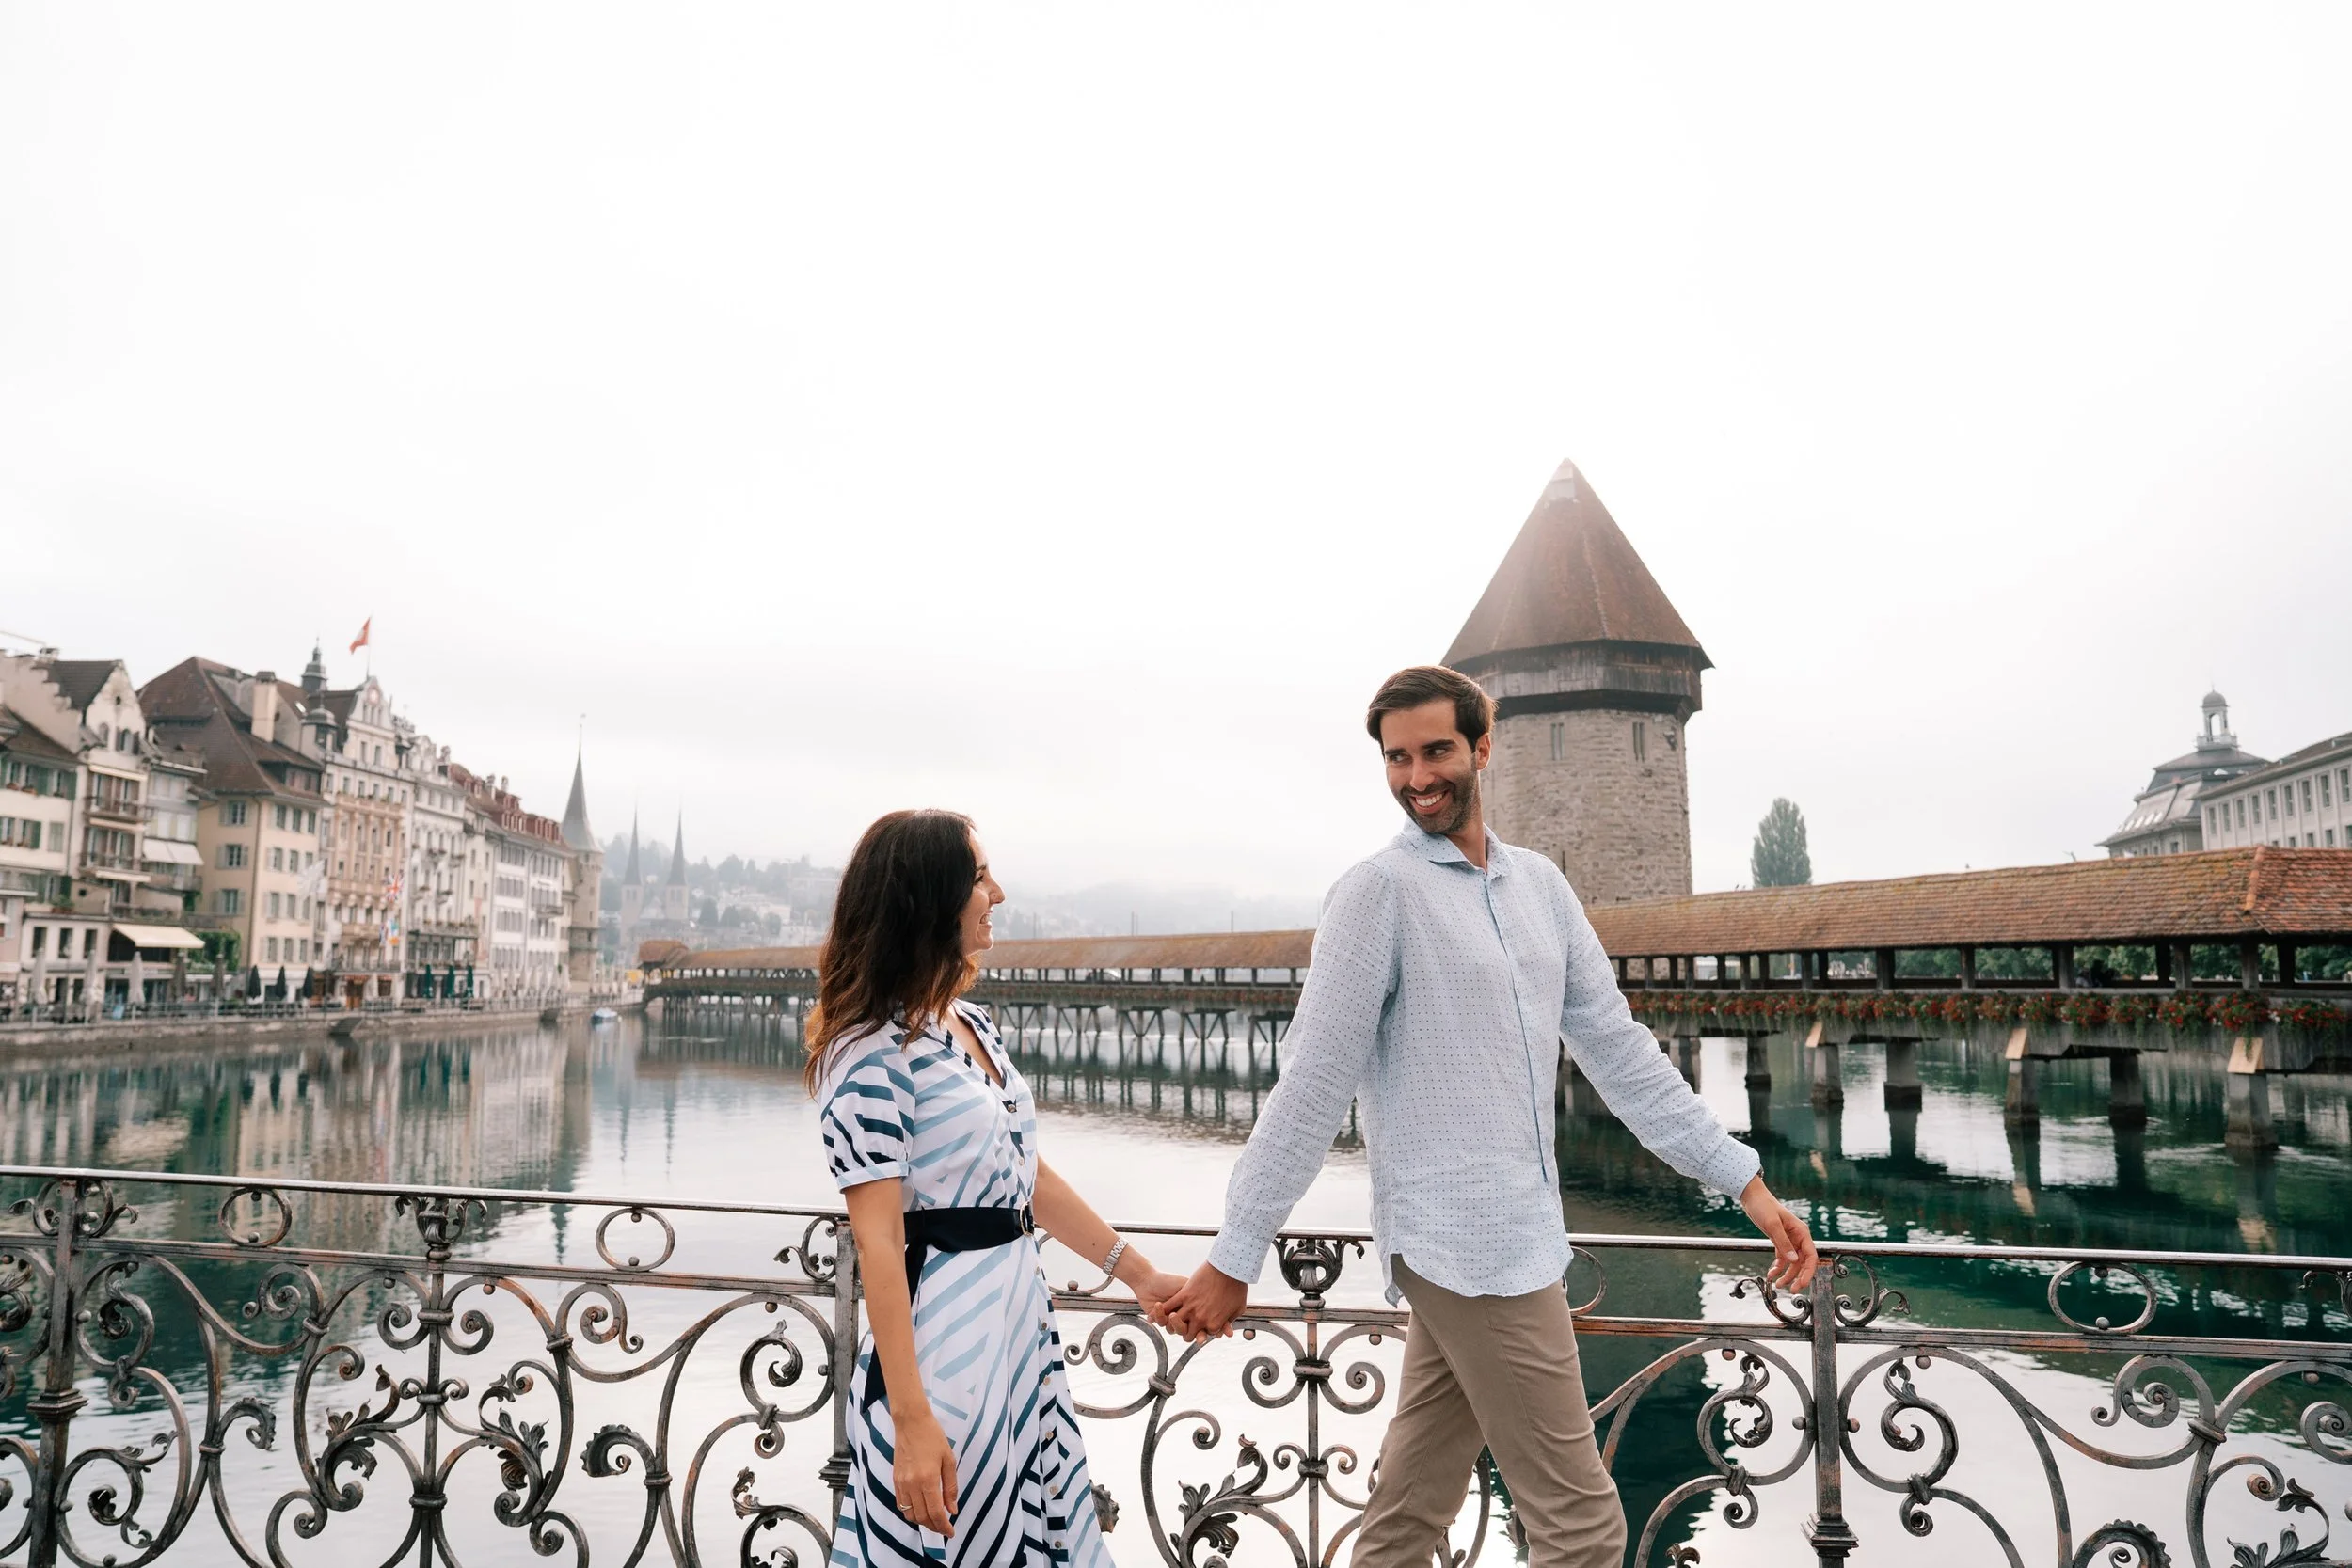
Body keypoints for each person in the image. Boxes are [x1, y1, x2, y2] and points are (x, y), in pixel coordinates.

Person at [1155, 666, 1820, 1568]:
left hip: (1515, 1237)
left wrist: (1743, 1180)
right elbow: (1310, 1087)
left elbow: (1622, 1053)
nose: (1416, 775)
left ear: (1482, 746)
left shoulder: (1541, 887)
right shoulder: (1376, 893)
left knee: (1405, 1520)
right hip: (1466, 1247)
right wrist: (1237, 1254)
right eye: (1397, 757)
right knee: (1583, 1530)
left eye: (1435, 750)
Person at [813, 808, 1184, 1566]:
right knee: (962, 1537)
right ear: (929, 898)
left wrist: (1141, 1274)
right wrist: (910, 1418)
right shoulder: (866, 1053)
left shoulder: (972, 1022)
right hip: (943, 1337)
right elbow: (878, 1240)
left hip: (1018, 1326)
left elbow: (1026, 1177)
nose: (999, 893)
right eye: (980, 877)